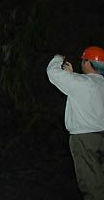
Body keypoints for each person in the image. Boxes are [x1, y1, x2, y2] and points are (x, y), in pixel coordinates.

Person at [47, 46, 104, 200]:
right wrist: (72, 75)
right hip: (101, 138)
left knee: (91, 183)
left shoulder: (82, 83)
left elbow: (53, 73)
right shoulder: (99, 84)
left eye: (83, 60)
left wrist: (58, 58)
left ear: (88, 63)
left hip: (85, 140)